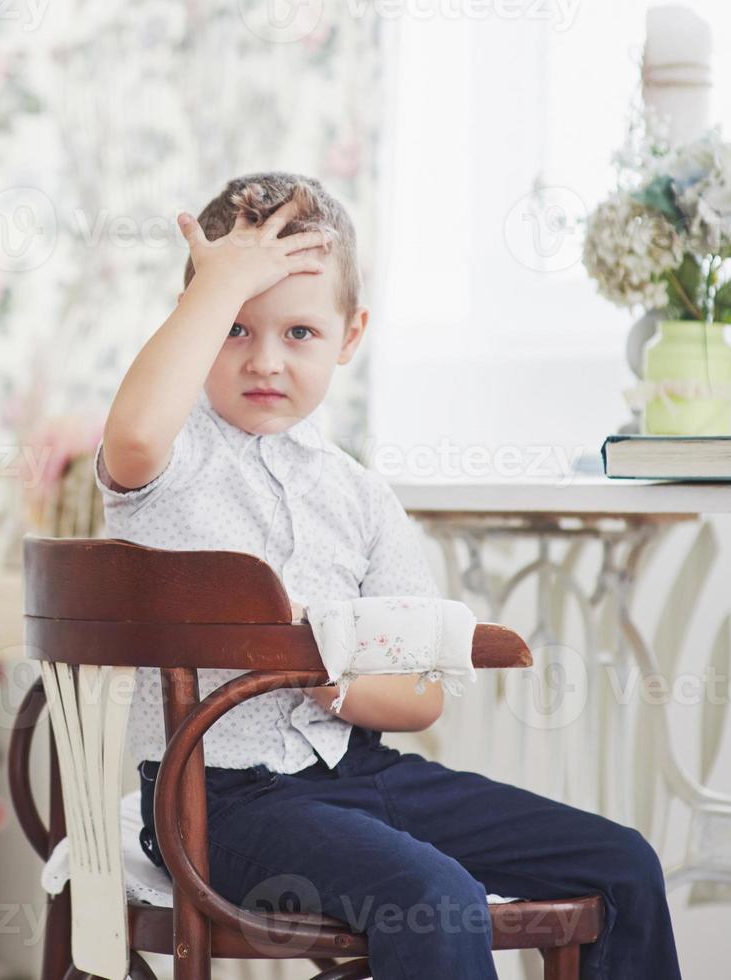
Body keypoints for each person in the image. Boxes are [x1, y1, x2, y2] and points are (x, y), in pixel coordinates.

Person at [93, 171, 681, 979]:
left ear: (349, 335)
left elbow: (419, 693)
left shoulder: (359, 495)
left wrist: (320, 670)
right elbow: (128, 437)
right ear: (195, 324)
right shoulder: (168, 461)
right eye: (233, 327)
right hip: (217, 805)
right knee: (437, 898)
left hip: (362, 772)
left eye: (298, 333)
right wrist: (219, 278)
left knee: (621, 864)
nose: (265, 359)